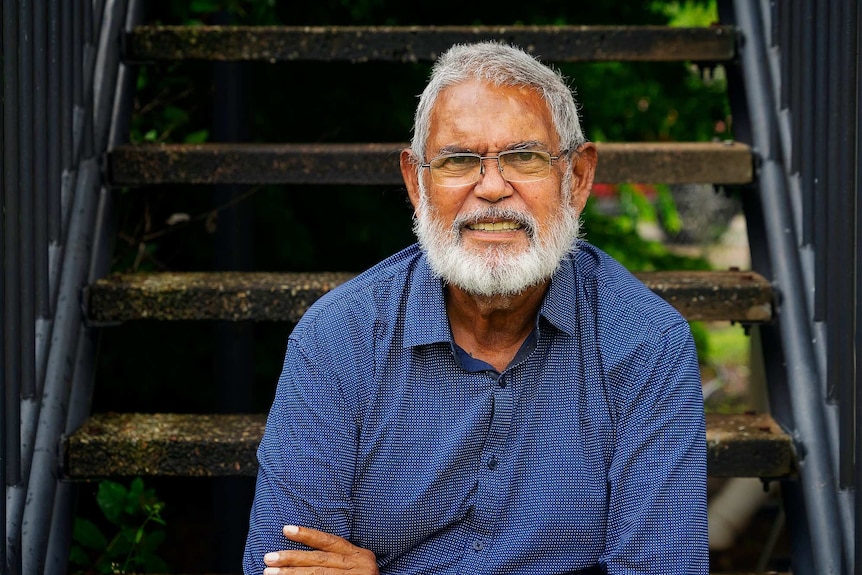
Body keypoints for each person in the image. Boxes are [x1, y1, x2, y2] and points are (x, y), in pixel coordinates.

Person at [243, 41, 708, 575]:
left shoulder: (647, 343)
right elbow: (280, 567)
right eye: (459, 160)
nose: (491, 188)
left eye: (524, 157)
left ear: (576, 179)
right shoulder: (337, 340)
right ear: (417, 184)